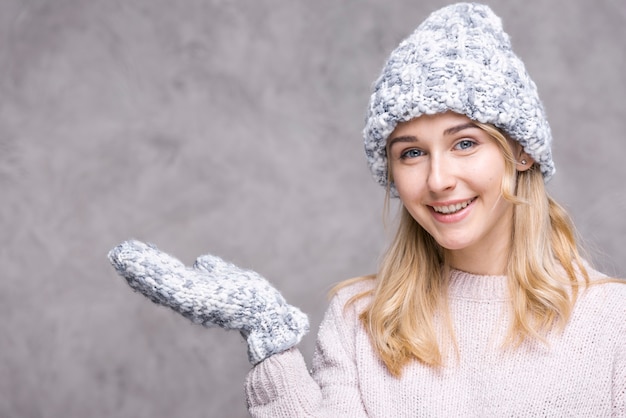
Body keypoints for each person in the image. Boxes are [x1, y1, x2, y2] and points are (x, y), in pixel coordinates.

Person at [108, 3, 626, 416]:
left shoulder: (612, 325)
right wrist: (269, 340)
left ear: (521, 151)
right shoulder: (360, 319)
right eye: (412, 153)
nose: (439, 179)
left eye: (465, 143)